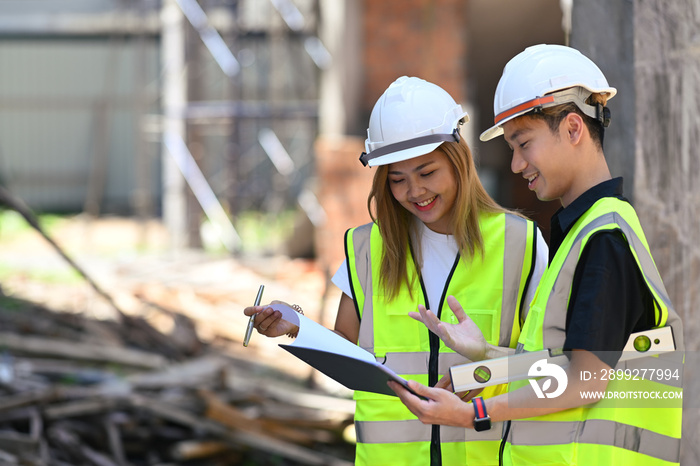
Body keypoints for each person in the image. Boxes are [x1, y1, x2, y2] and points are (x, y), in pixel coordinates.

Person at [388, 44, 685, 466]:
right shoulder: (588, 232)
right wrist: (486, 356)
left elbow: (585, 381)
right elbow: (570, 364)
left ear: (573, 128)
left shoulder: (604, 241)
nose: (515, 164)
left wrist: (474, 414)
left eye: (523, 143)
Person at [244, 75, 548, 466]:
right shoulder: (367, 249)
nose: (414, 192)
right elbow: (348, 356)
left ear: (458, 160)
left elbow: (549, 365)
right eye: (397, 179)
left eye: (426, 173)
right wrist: (294, 325)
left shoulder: (519, 243)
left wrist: (480, 371)